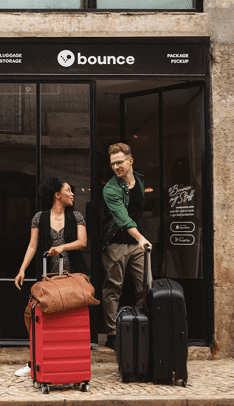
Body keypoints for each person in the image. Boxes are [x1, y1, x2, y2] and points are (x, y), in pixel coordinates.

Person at [13, 176, 87, 376]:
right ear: (57, 195)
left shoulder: (77, 216)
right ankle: (34, 362)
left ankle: (70, 362)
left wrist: (61, 247)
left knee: (70, 319)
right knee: (38, 316)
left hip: (72, 276)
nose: (72, 194)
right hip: (47, 277)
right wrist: (22, 270)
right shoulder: (39, 217)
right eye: (68, 190)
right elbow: (32, 245)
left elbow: (82, 242)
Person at [100, 143, 152, 351]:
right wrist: (141, 238)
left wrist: (139, 239)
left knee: (145, 287)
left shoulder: (139, 180)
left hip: (137, 243)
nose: (115, 167)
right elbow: (123, 218)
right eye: (112, 164)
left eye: (119, 162)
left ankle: (143, 326)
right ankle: (112, 334)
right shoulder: (110, 189)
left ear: (130, 161)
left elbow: (138, 212)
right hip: (115, 243)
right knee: (113, 288)